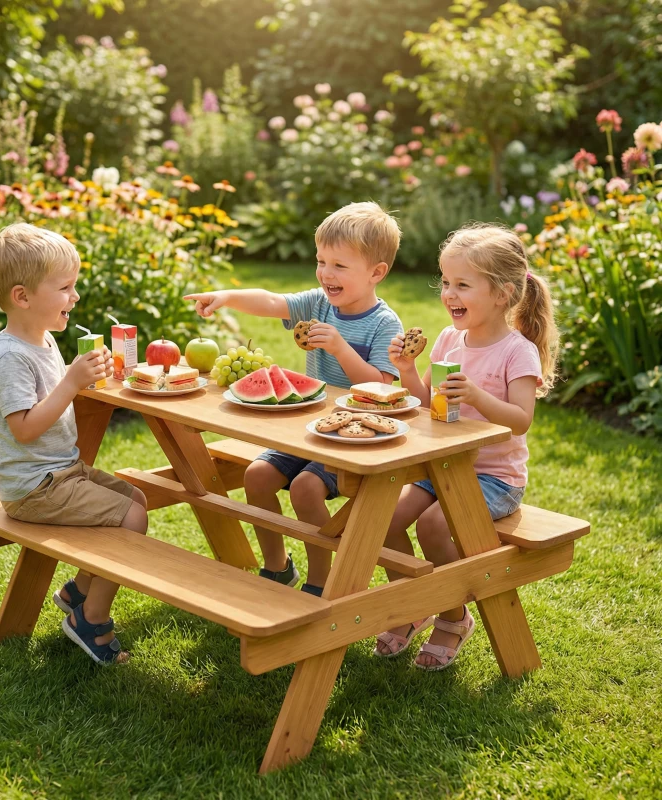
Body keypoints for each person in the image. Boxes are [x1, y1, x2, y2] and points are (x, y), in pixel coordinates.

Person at [185, 201, 403, 596]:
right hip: (311, 427)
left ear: (376, 273)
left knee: (305, 488)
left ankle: (322, 579)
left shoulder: (385, 324)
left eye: (339, 265)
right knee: (258, 476)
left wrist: (340, 349)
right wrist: (227, 296)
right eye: (321, 261)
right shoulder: (319, 303)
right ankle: (277, 566)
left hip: (353, 438)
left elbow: (380, 389)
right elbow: (271, 301)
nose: (325, 273)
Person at [374, 223, 558, 670]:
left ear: (502, 294)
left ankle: (453, 618)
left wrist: (477, 397)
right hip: (444, 468)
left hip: (495, 478)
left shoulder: (518, 352)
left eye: (462, 284)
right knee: (386, 520)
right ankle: (412, 603)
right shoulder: (448, 340)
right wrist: (407, 369)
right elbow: (429, 403)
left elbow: (520, 420)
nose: (448, 293)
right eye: (445, 282)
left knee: (434, 528)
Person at [0, 222, 148, 665]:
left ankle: (77, 589)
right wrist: (72, 382)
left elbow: (55, 400)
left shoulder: (43, 339)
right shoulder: (12, 358)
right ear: (23, 297)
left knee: (136, 496)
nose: (75, 297)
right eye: (65, 288)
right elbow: (25, 429)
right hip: (35, 487)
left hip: (59, 472)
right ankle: (90, 621)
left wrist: (89, 379)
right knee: (132, 520)